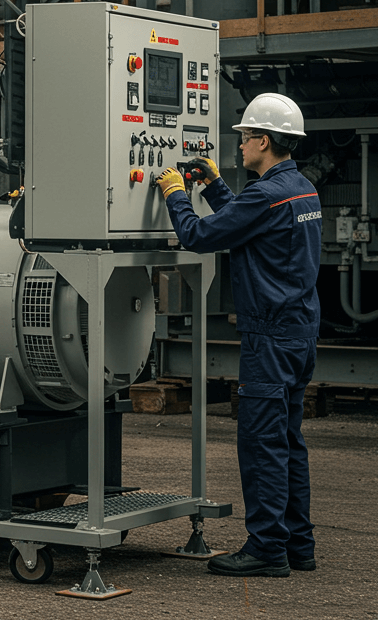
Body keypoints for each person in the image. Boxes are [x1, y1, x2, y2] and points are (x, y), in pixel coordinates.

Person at [155, 93, 320, 578]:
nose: (240, 144)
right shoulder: (300, 189)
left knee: (262, 444)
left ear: (263, 141)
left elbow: (201, 237)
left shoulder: (266, 194)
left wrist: (175, 193)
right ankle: (298, 545)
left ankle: (267, 549)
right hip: (299, 333)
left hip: (270, 339)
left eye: (245, 137)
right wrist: (216, 186)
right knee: (288, 442)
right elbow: (250, 226)